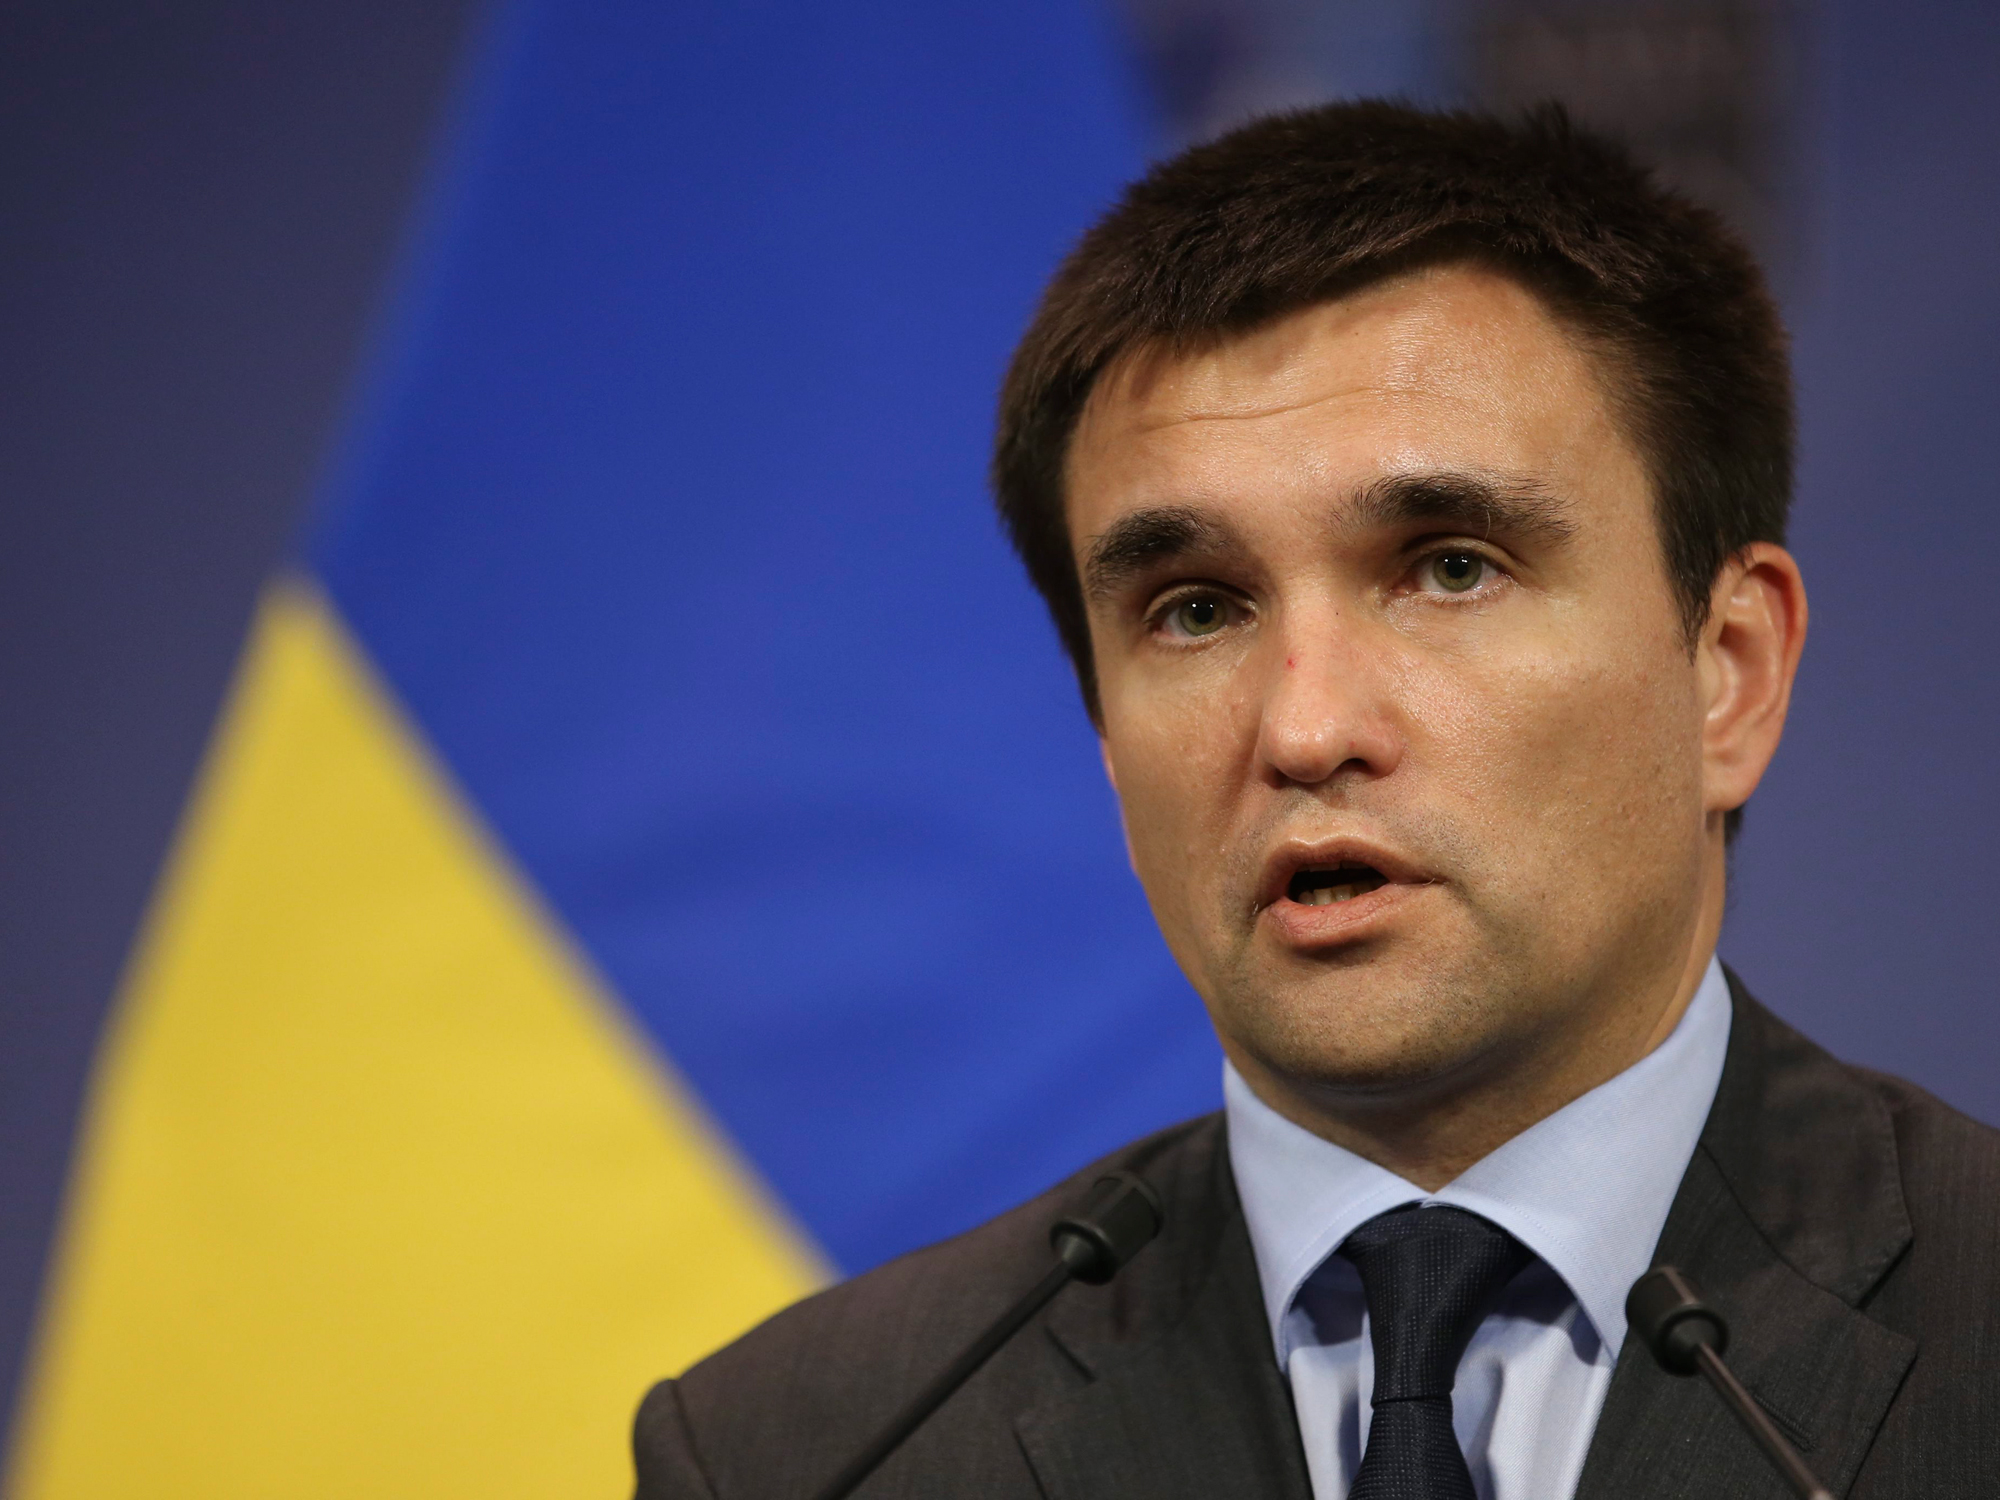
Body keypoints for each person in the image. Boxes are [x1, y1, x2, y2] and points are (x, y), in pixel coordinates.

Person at [631, 101, 2000, 1500]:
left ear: (1730, 672)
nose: (1302, 729)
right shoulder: (805, 1455)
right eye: (1196, 609)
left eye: (1450, 568)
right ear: (1104, 737)